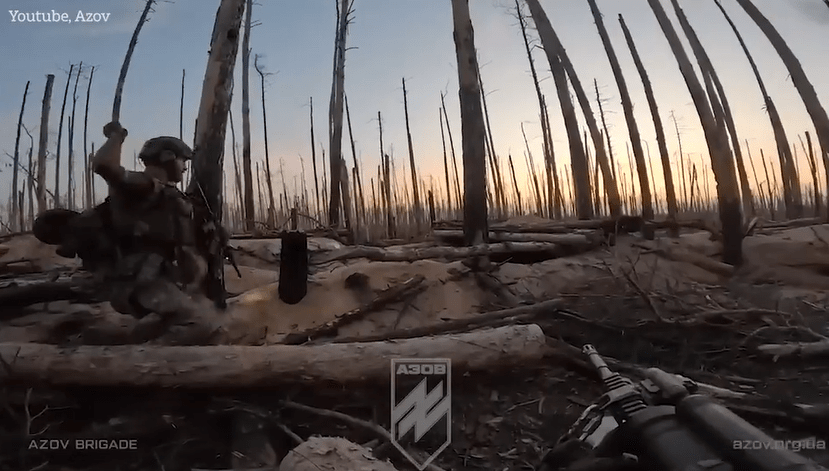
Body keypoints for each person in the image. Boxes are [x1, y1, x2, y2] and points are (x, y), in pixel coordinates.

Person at [35, 121, 223, 344]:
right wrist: (117, 136)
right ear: (167, 157)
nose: (184, 167)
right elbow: (104, 165)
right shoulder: (141, 185)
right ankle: (140, 358)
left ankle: (103, 338)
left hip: (154, 278)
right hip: (134, 280)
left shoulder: (169, 196)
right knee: (200, 324)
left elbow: (183, 244)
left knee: (189, 319)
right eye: (183, 160)